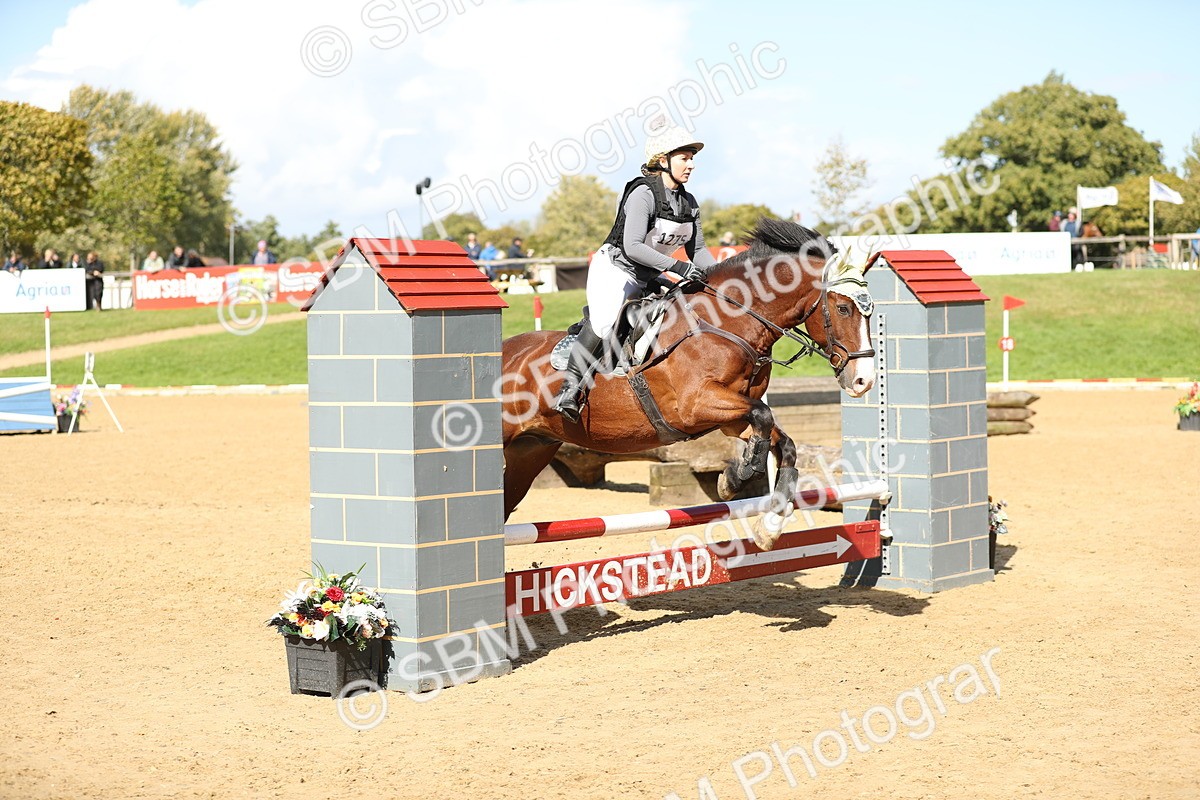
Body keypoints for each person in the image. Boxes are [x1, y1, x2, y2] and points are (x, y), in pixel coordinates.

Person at [553, 115, 716, 422]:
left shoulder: (689, 203)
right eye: (684, 158)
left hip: (650, 273)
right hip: (615, 267)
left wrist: (723, 277)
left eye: (692, 159)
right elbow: (634, 247)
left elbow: (700, 251)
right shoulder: (643, 193)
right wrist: (678, 267)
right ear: (663, 160)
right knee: (604, 322)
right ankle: (569, 389)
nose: (691, 164)